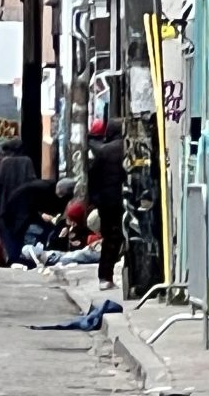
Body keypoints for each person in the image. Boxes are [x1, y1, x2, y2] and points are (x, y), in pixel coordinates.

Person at [89, 118, 125, 290]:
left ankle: (105, 277)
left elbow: (92, 177)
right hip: (125, 199)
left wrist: (95, 201)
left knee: (110, 239)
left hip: (107, 202)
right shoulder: (126, 148)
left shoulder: (104, 151)